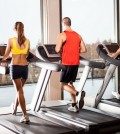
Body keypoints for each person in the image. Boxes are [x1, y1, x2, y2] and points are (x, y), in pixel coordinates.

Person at [55, 17, 87, 112]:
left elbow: (57, 49)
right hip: (75, 63)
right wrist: (74, 50)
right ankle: (74, 105)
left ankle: (78, 94)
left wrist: (64, 50)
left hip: (67, 63)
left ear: (63, 24)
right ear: (70, 23)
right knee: (70, 83)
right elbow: (84, 49)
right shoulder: (78, 35)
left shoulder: (62, 35)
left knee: (62, 85)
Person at [1, 22, 30, 123]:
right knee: (20, 91)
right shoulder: (27, 41)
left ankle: (25, 115)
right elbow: (26, 54)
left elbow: (6, 55)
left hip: (16, 67)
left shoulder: (11, 40)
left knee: (20, 91)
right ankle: (14, 109)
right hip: (25, 68)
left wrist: (2, 59)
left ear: (14, 29)